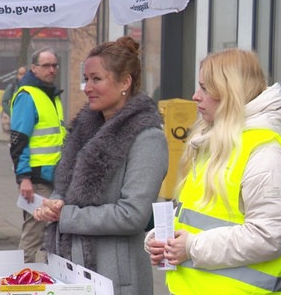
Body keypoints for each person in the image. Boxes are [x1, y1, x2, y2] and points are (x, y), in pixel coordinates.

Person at [146, 49, 281, 294]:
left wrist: (191, 247)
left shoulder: (266, 152)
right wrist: (161, 238)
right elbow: (197, 215)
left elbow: (270, 235)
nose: (195, 96)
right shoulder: (215, 141)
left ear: (230, 91)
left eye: (205, 88)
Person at [35, 37, 168, 295]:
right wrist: (54, 204)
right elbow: (67, 189)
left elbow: (132, 215)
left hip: (115, 277)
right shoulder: (84, 131)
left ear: (125, 82)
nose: (87, 87)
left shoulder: (147, 138)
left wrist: (67, 216)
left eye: (97, 79)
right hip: (70, 268)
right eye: (86, 79)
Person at [9, 47, 65, 263]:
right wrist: (24, 178)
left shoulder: (50, 94)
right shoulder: (28, 95)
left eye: (54, 65)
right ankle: (21, 278)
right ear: (34, 68)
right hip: (36, 178)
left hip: (52, 175)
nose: (52, 70)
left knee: (48, 233)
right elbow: (18, 141)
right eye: (46, 66)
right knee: (33, 233)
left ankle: (42, 277)